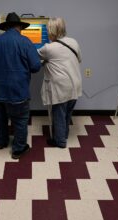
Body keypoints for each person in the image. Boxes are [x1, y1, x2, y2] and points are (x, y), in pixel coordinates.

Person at [0, 12, 41, 159]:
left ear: (6, 27)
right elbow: (36, 67)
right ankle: (18, 149)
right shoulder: (25, 42)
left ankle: (1, 142)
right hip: (18, 90)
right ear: (19, 27)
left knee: (1, 116)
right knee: (21, 119)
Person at [38, 17, 82, 148]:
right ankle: (64, 134)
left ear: (52, 31)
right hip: (75, 84)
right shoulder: (73, 42)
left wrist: (45, 61)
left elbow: (33, 57)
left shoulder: (48, 48)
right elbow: (78, 59)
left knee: (58, 114)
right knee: (67, 114)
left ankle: (60, 141)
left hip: (61, 87)